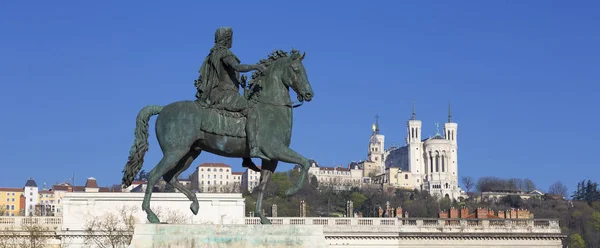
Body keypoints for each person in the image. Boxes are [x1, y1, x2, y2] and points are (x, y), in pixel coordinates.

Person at [194, 27, 268, 167]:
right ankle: (252, 149)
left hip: (221, 92)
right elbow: (237, 67)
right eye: (231, 37)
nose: (232, 40)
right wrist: (256, 66)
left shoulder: (213, 54)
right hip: (225, 94)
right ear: (227, 38)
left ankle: (246, 158)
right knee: (252, 112)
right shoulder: (224, 53)